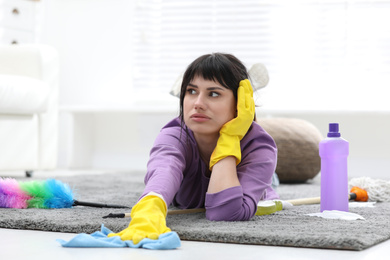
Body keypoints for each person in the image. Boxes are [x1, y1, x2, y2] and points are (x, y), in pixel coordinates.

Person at [108, 53, 279, 244]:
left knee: (271, 178)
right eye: (191, 91)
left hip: (255, 165)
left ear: (240, 102)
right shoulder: (174, 134)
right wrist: (151, 205)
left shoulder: (260, 147)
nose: (197, 104)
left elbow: (224, 212)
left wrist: (230, 138)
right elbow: (165, 170)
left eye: (213, 93)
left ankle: (272, 177)